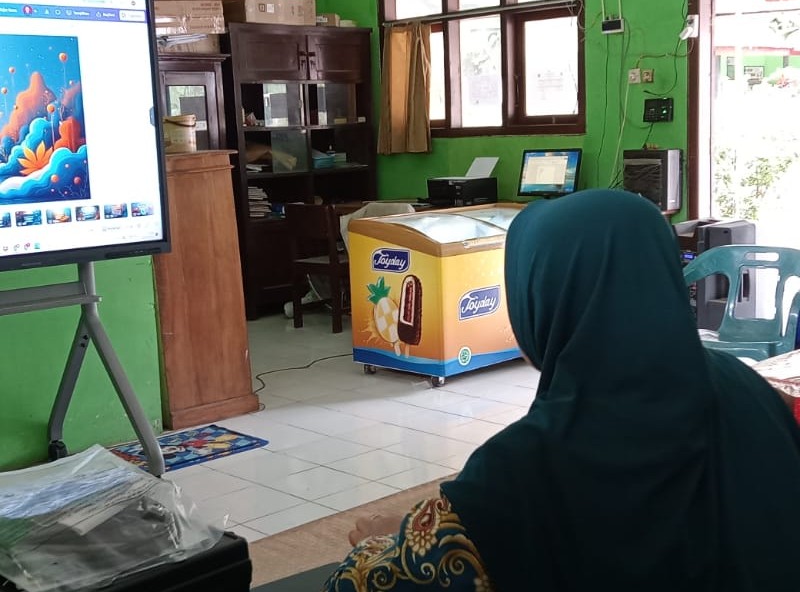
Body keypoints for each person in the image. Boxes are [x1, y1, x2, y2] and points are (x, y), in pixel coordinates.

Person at [323, 189, 800, 592]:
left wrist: (382, 542)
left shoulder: (523, 469)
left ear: (542, 298)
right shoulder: (749, 391)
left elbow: (360, 583)